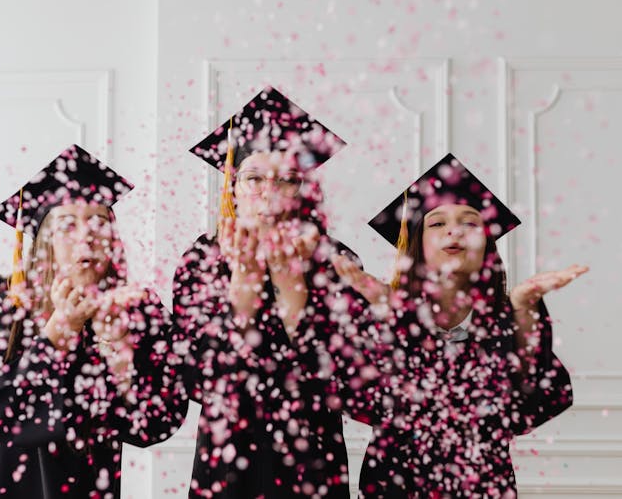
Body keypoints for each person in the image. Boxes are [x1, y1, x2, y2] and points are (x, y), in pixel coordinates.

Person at [333, 154, 585, 498]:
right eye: (437, 223)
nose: (454, 230)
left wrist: (524, 310)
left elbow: (535, 402)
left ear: (487, 246)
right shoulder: (382, 312)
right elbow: (358, 398)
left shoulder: (508, 320)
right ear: (417, 244)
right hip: (393, 485)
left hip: (482, 487)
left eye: (470, 222)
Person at [0, 144, 187, 499]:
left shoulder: (138, 309)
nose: (86, 236)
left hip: (88, 482)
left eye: (98, 222)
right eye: (67, 225)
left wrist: (119, 349)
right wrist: (60, 330)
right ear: (45, 239)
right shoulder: (7, 298)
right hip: (2, 479)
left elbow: (154, 424)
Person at [173, 86, 365, 498]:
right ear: (233, 186)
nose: (269, 190)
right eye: (255, 177)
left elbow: (348, 377)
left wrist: (290, 287)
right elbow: (193, 377)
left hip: (312, 452)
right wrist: (242, 288)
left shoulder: (335, 260)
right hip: (227, 454)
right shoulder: (202, 260)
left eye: (287, 179)